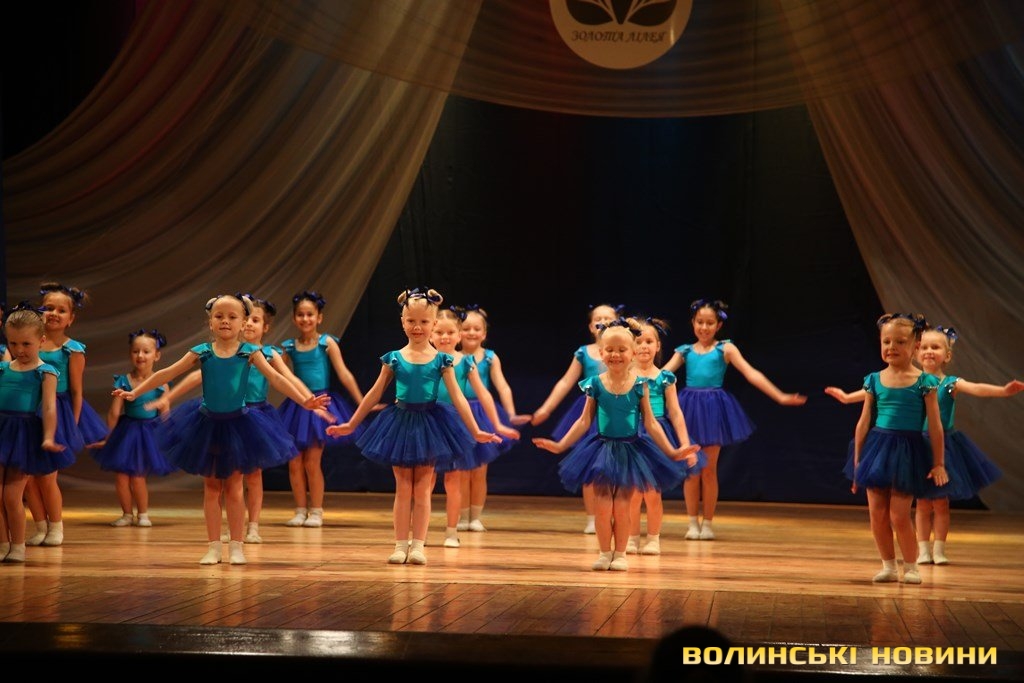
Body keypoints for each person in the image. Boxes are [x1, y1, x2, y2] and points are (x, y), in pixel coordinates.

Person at [112, 294, 330, 565]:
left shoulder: (249, 352)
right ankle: (214, 546)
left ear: (243, 323)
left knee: (235, 486)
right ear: (210, 322)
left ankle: (237, 546)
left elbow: (276, 378)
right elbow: (167, 373)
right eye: (219, 316)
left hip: (239, 425)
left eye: (232, 317)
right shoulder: (202, 352)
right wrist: (135, 393)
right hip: (207, 425)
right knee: (212, 487)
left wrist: (305, 401)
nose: (225, 321)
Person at [326, 287, 500, 566]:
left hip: (430, 424)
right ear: (402, 322)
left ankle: (418, 545)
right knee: (403, 488)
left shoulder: (442, 360)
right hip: (401, 423)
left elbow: (458, 397)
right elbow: (374, 393)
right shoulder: (394, 357)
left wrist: (476, 430)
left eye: (423, 322)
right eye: (411, 321)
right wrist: (351, 423)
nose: (417, 327)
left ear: (433, 324)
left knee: (422, 489)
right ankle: (400, 545)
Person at [827, 324, 1022, 566]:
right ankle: (922, 550)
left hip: (939, 446)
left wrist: (1003, 391)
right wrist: (847, 397)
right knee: (921, 503)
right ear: (917, 352)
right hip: (915, 444)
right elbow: (878, 392)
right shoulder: (905, 380)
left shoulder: (948, 383)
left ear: (947, 355)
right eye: (926, 347)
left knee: (939, 502)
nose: (929, 351)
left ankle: (938, 548)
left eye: (936, 347)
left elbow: (977, 388)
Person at [533, 320, 699, 572]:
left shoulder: (640, 385)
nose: (615, 354)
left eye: (622, 350)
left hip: (630, 451)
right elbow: (583, 421)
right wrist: (560, 445)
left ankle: (620, 553)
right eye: (610, 349)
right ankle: (604, 552)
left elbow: (652, 424)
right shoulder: (595, 384)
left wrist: (672, 451)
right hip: (601, 450)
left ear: (632, 353)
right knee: (602, 506)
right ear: (601, 353)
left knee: (622, 506)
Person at [662, 299, 806, 541]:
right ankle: (692, 523)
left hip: (713, 410)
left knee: (708, 470)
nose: (704, 327)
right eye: (700, 322)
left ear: (718, 325)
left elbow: (751, 373)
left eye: (710, 323)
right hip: (689, 410)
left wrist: (779, 396)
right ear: (693, 323)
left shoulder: (725, 349)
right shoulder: (684, 351)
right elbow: (662, 374)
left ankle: (707, 523)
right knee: (691, 470)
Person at [842, 313, 948, 585]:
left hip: (908, 451)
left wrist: (938, 462)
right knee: (877, 514)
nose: (891, 347)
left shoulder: (924, 382)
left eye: (900, 342)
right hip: (877, 450)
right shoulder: (873, 379)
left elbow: (935, 425)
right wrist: (857, 463)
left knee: (899, 515)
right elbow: (863, 423)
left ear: (915, 346)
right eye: (886, 341)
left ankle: (911, 566)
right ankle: (888, 565)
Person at [277, 290, 369, 529]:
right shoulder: (289, 347)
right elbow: (281, 377)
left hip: (322, 403)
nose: (305, 319)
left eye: (310, 314)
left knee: (312, 462)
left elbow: (344, 374)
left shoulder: (326, 343)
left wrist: (362, 401)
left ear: (319, 317)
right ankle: (300, 510)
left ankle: (316, 510)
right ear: (294, 318)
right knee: (294, 462)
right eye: (300, 314)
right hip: (298, 405)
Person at [25, 282, 107, 548]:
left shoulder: (72, 350)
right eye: (48, 308)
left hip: (58, 412)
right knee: (27, 477)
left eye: (61, 310)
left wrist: (72, 424)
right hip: (29, 411)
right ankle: (40, 526)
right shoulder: (30, 343)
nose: (54, 314)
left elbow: (76, 391)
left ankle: (56, 526)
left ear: (71, 318)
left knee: (47, 475)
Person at [430, 307, 519, 547]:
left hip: (463, 418)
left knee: (465, 473)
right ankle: (423, 532)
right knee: (428, 478)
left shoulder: (470, 361)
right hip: (432, 420)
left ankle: (464, 523)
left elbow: (487, 393)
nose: (445, 337)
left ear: (457, 335)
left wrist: (499, 423)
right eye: (440, 332)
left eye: (451, 332)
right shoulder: (428, 359)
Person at [531, 303, 619, 534]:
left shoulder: (622, 351)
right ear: (591, 326)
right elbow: (565, 382)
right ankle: (592, 517)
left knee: (614, 468)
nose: (603, 322)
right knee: (590, 467)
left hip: (616, 410)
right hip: (589, 410)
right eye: (598, 319)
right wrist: (546, 409)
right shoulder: (584, 353)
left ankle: (615, 514)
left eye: (608, 318)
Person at [626, 315, 705, 556]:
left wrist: (684, 444)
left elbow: (676, 413)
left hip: (656, 436)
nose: (644, 346)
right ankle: (631, 538)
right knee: (632, 492)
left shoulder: (665, 378)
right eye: (638, 341)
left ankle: (653, 538)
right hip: (630, 435)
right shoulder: (625, 376)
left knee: (652, 492)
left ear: (658, 346)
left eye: (649, 341)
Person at [451, 304, 530, 532]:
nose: (472, 332)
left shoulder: (489, 358)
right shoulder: (452, 358)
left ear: (484, 333)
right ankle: (462, 517)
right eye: (466, 328)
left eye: (477, 329)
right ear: (458, 332)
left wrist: (511, 414)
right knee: (460, 470)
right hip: (459, 413)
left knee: (479, 470)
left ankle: (475, 517)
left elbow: (502, 387)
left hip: (482, 413)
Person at [0, 304, 66, 563]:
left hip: (23, 436)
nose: (20, 350)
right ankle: (3, 543)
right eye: (13, 344)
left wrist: (48, 436)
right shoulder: (2, 369)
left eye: (26, 344)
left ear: (41, 340)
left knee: (11, 495)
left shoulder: (45, 373)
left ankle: (17, 545)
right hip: (2, 431)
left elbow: (49, 408)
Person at [91, 329, 175, 527]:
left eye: (146, 351)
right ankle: (127, 514)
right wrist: (108, 436)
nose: (140, 356)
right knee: (121, 477)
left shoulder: (161, 383)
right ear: (130, 354)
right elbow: (114, 412)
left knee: (138, 476)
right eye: (135, 351)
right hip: (127, 431)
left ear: (156, 355)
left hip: (148, 433)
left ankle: (143, 514)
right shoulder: (123, 381)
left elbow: (165, 413)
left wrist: (167, 435)